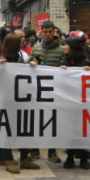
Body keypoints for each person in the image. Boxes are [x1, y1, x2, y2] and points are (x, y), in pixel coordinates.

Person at [0, 33, 41, 174]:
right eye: (18, 41)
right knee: (9, 130)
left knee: (24, 130)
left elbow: (28, 68)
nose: (22, 42)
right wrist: (0, 67)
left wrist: (32, 65)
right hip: (8, 100)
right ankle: (9, 159)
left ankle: (24, 158)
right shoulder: (2, 59)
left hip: (22, 98)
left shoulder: (22, 57)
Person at [28, 20, 64, 163]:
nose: (48, 35)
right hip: (38, 91)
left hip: (54, 91)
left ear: (54, 32)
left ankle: (52, 151)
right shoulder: (36, 48)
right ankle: (35, 151)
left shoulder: (61, 49)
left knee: (53, 122)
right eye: (45, 32)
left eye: (50, 32)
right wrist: (32, 62)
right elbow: (28, 65)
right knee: (37, 121)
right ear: (41, 32)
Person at [59, 35, 90, 170]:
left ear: (72, 47)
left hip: (82, 102)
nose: (64, 47)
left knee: (82, 131)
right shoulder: (64, 61)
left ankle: (84, 158)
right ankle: (70, 156)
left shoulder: (85, 62)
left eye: (66, 45)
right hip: (68, 102)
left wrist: (89, 72)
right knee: (70, 131)